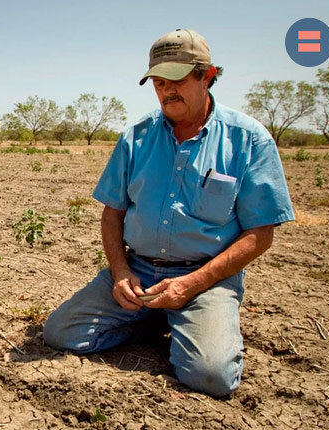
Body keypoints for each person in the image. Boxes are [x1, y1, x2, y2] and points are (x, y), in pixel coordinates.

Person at [43, 29, 295, 397]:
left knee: (211, 377)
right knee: (60, 333)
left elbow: (260, 234)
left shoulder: (248, 139)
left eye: (177, 80)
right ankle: (152, 316)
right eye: (159, 82)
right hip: (139, 271)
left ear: (206, 76)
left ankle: (187, 321)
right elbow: (112, 214)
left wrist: (189, 285)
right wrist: (120, 273)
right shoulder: (136, 137)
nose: (167, 91)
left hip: (204, 279)